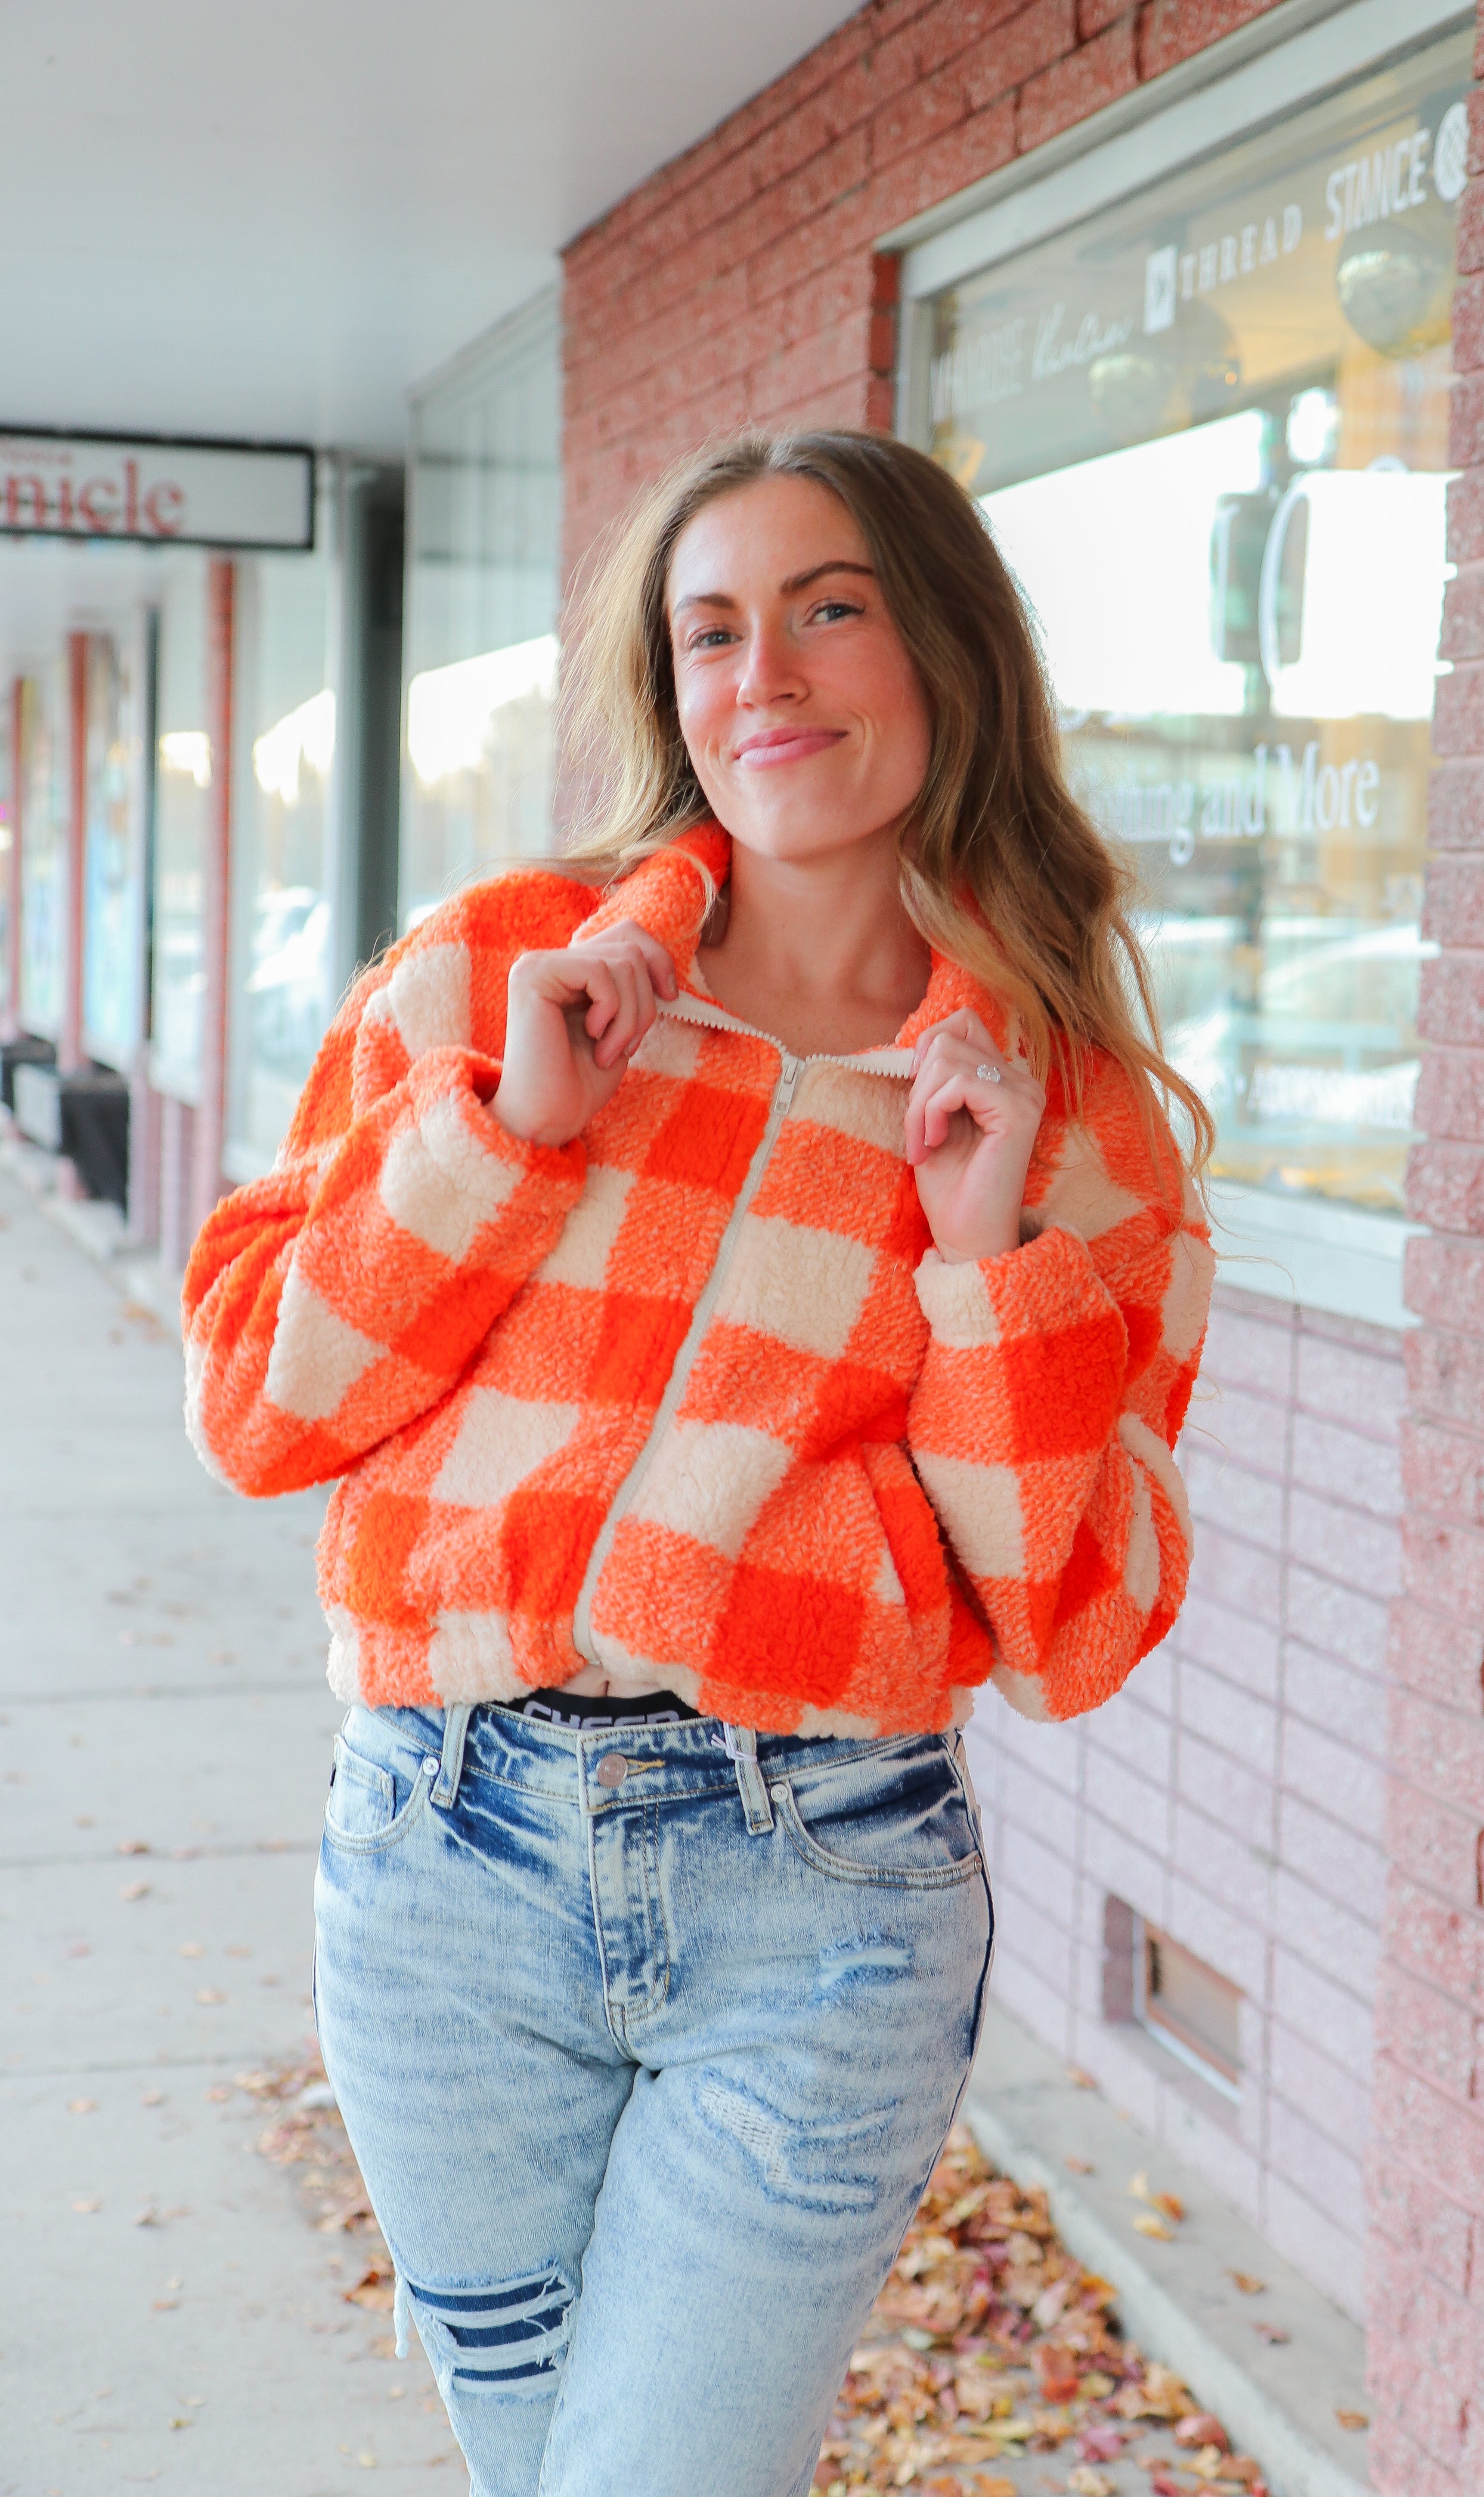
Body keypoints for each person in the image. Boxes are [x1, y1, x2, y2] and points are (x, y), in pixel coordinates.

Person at [182, 429, 1215, 2497]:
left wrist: (986, 1261)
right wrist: (502, 1132)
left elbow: (1072, 1627)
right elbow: (262, 1405)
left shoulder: (1073, 1119)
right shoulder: (506, 970)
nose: (768, 676)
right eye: (714, 629)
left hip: (819, 1898)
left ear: (947, 652)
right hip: (445, 1864)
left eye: (831, 608)